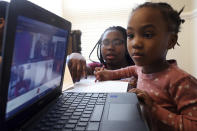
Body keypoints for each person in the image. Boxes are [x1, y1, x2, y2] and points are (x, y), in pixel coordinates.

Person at [94, 2, 197, 131]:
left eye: (148, 35)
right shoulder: (141, 68)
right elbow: (128, 70)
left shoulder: (181, 81)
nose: (135, 43)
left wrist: (153, 108)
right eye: (130, 35)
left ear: (170, 41)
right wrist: (108, 74)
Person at [68, 26, 135, 82]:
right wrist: (75, 55)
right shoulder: (96, 68)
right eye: (105, 43)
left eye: (117, 43)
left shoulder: (138, 70)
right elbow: (84, 68)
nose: (110, 47)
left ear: (127, 46)